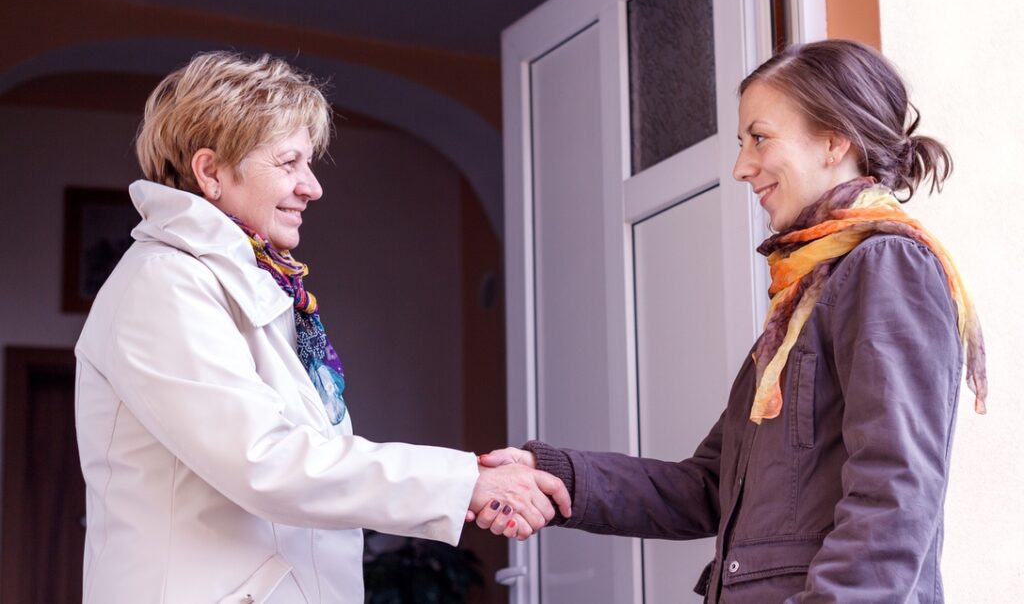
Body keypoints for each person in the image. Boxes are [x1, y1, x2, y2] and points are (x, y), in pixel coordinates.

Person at [475, 39, 987, 602]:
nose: (742, 167)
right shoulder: (803, 298)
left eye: (759, 138)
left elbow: (896, 492)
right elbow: (708, 487)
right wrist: (557, 476)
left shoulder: (887, 263)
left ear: (834, 139)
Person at [74, 51, 569, 604]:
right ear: (211, 172)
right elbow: (265, 460)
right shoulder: (163, 284)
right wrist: (466, 483)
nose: (312, 187)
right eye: (288, 163)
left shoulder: (259, 283)